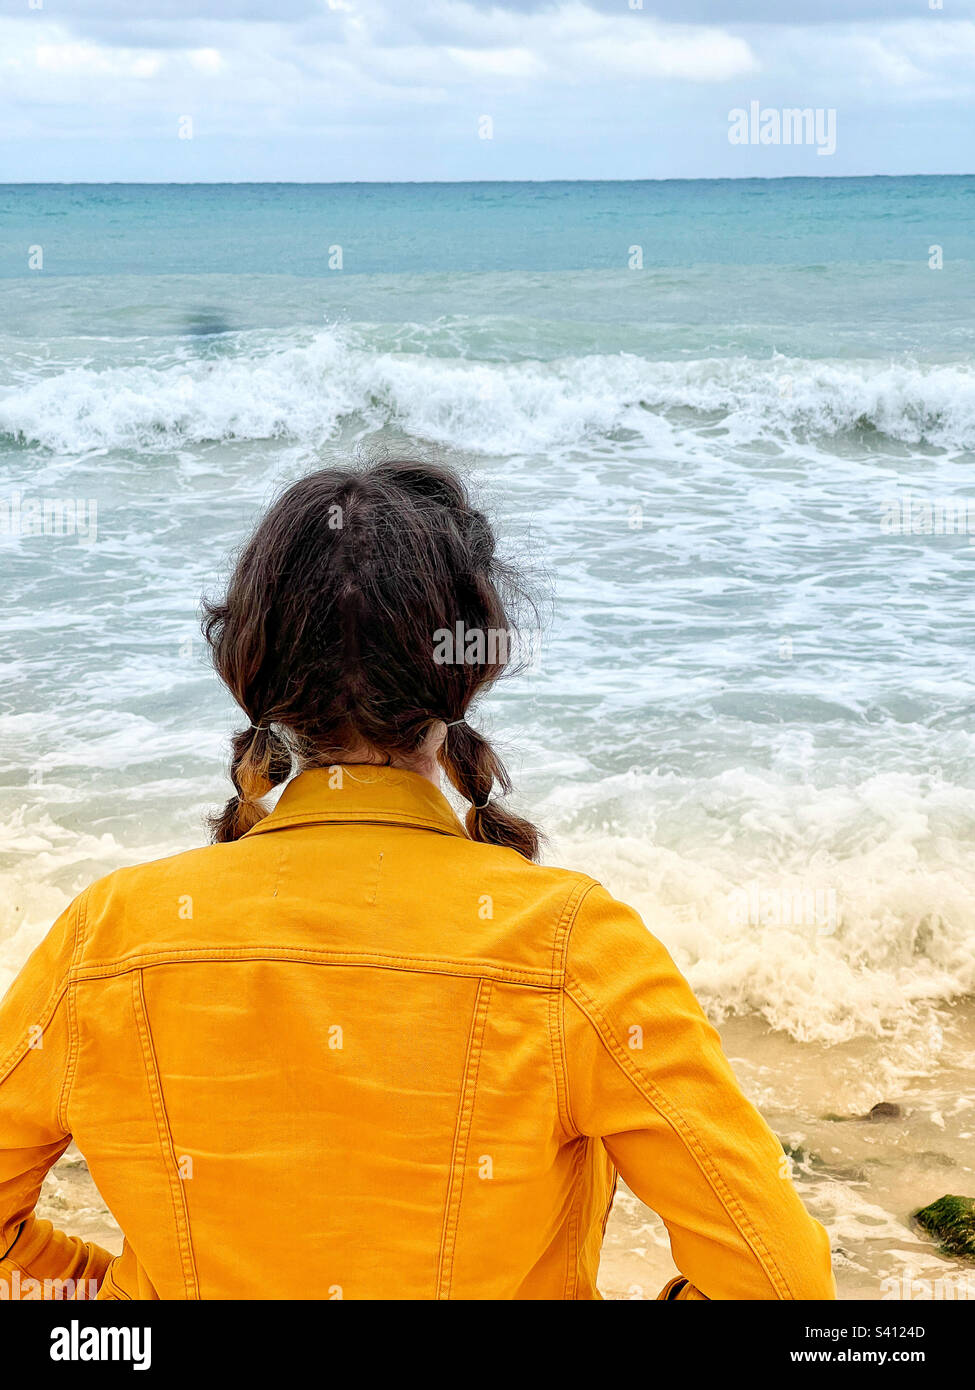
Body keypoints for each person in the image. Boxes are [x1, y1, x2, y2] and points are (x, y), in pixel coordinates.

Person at [0, 459, 835, 1301]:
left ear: (250, 663)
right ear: (469, 666)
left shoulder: (109, 933)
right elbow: (780, 1286)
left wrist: (115, 1294)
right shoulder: (575, 945)